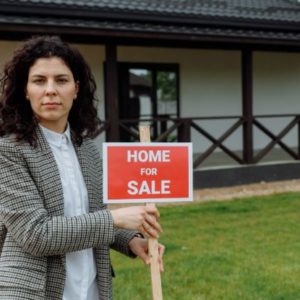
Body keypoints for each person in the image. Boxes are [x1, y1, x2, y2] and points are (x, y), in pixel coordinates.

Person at [0, 35, 164, 300]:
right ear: (25, 90)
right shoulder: (8, 151)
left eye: (61, 80)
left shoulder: (86, 148)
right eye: (39, 81)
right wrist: (116, 218)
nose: (50, 90)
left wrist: (131, 240)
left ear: (76, 89)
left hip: (90, 289)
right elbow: (35, 234)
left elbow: (90, 215)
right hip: (34, 292)